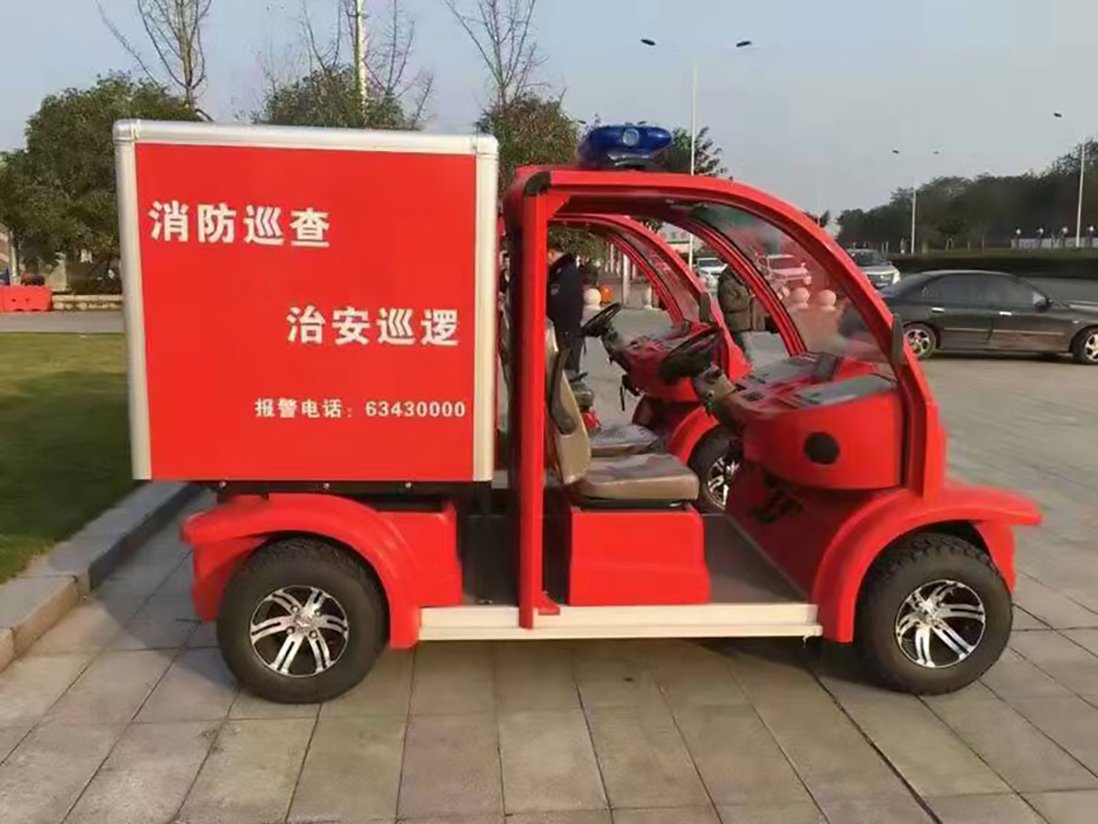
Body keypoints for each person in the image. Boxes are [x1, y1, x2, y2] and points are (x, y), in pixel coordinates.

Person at [547, 242, 584, 372]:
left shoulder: (563, 273)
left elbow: (557, 300)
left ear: (551, 253)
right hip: (568, 329)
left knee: (567, 369)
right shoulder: (566, 269)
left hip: (565, 331)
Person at [717, 268, 753, 355]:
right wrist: (748, 300)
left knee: (745, 352)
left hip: (744, 324)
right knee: (746, 353)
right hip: (738, 327)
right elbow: (728, 305)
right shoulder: (727, 285)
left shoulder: (741, 283)